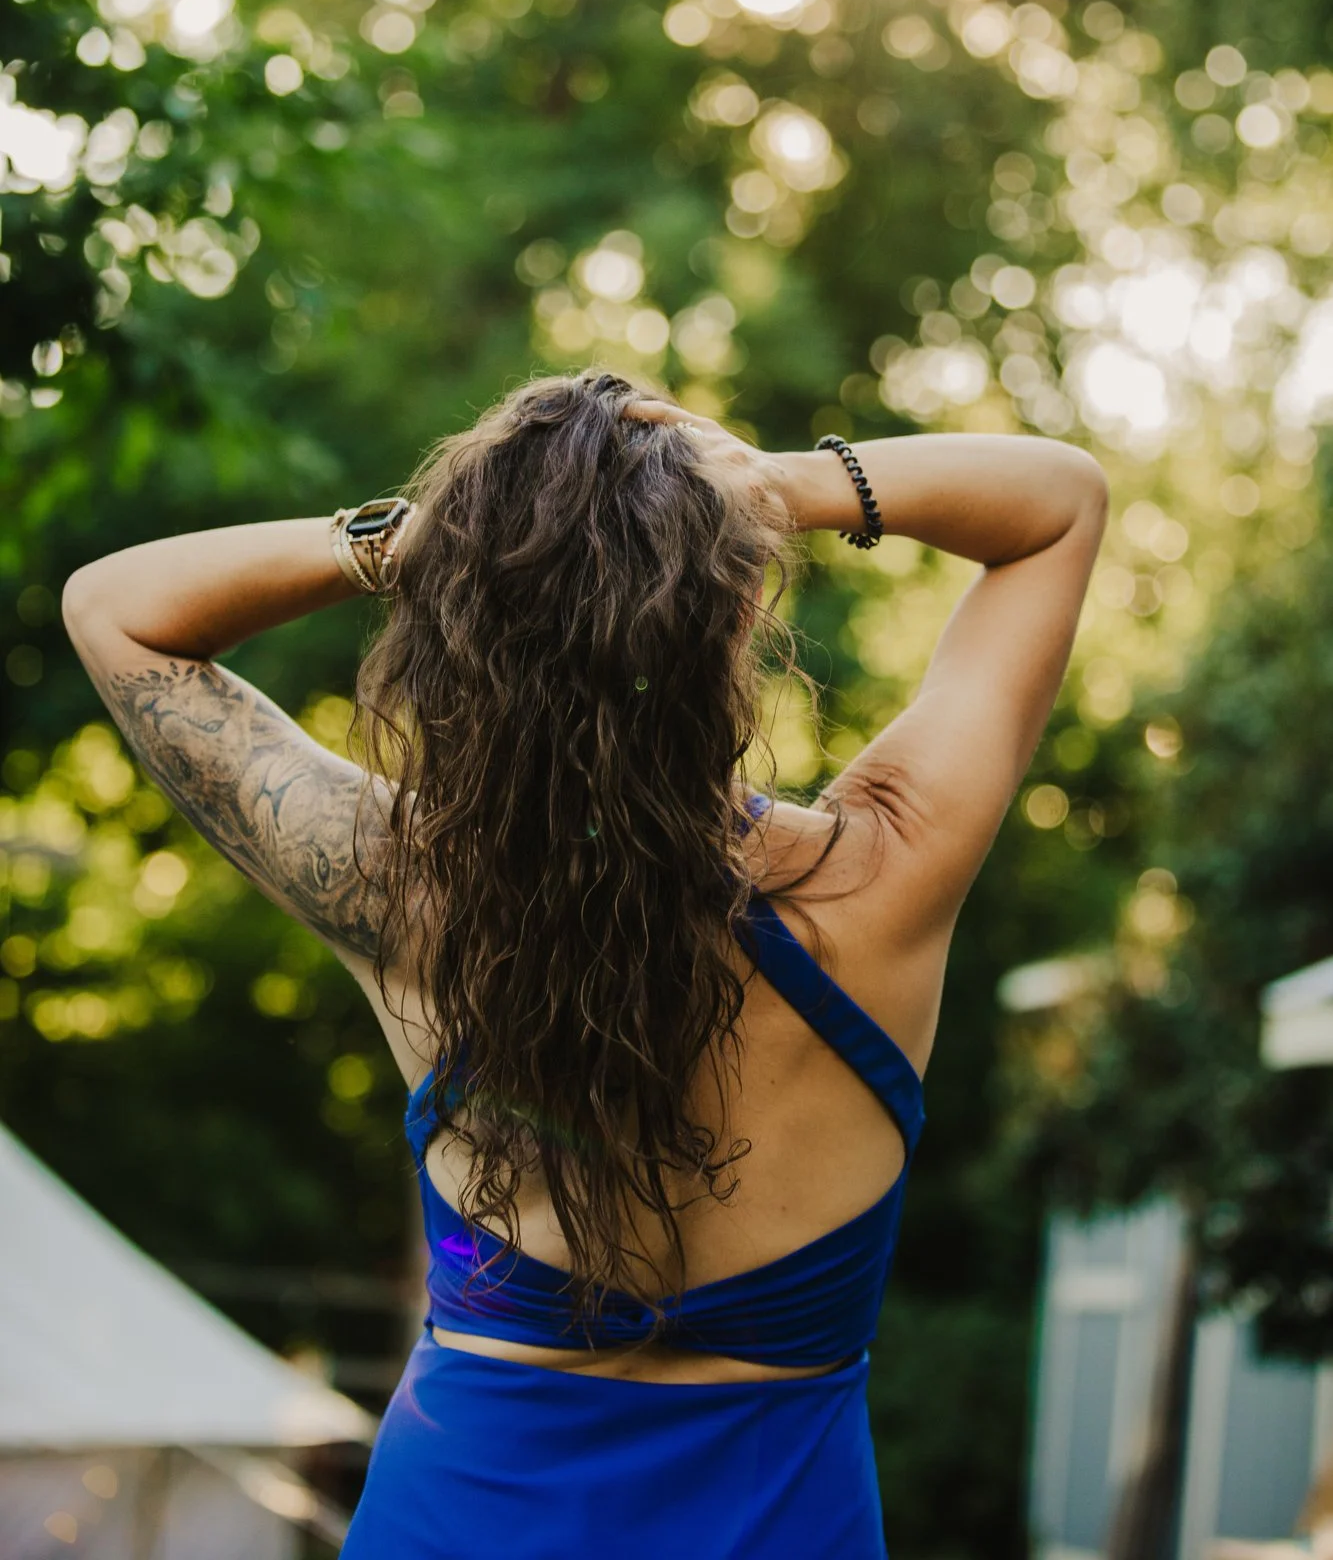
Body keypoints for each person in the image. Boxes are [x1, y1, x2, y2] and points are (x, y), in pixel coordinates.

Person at [61, 367, 1108, 1559]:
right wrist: (773, 485)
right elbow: (1057, 501)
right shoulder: (880, 871)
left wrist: (428, 540)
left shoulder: (406, 891)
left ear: (470, 635)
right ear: (736, 611)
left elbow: (114, 607)